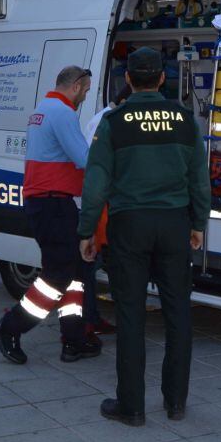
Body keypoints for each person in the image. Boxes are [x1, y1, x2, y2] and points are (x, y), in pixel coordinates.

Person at [78, 48, 210, 426]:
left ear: (130, 80)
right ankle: (176, 403)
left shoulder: (115, 121)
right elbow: (199, 180)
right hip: (173, 224)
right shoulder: (185, 120)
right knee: (178, 314)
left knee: (131, 315)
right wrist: (198, 224)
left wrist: (86, 231)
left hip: (128, 226)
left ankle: (132, 407)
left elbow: (96, 182)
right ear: (163, 79)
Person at [0, 66, 101, 365]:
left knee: (76, 276)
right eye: (86, 90)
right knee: (57, 277)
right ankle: (8, 327)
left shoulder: (42, 109)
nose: (85, 95)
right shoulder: (62, 113)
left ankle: (73, 339)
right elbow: (85, 159)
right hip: (54, 205)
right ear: (76, 86)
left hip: (48, 203)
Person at [78, 84, 132, 335]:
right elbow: (95, 171)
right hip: (104, 208)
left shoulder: (102, 119)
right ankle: (87, 320)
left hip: (106, 207)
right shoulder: (108, 123)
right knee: (91, 266)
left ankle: (90, 319)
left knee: (97, 267)